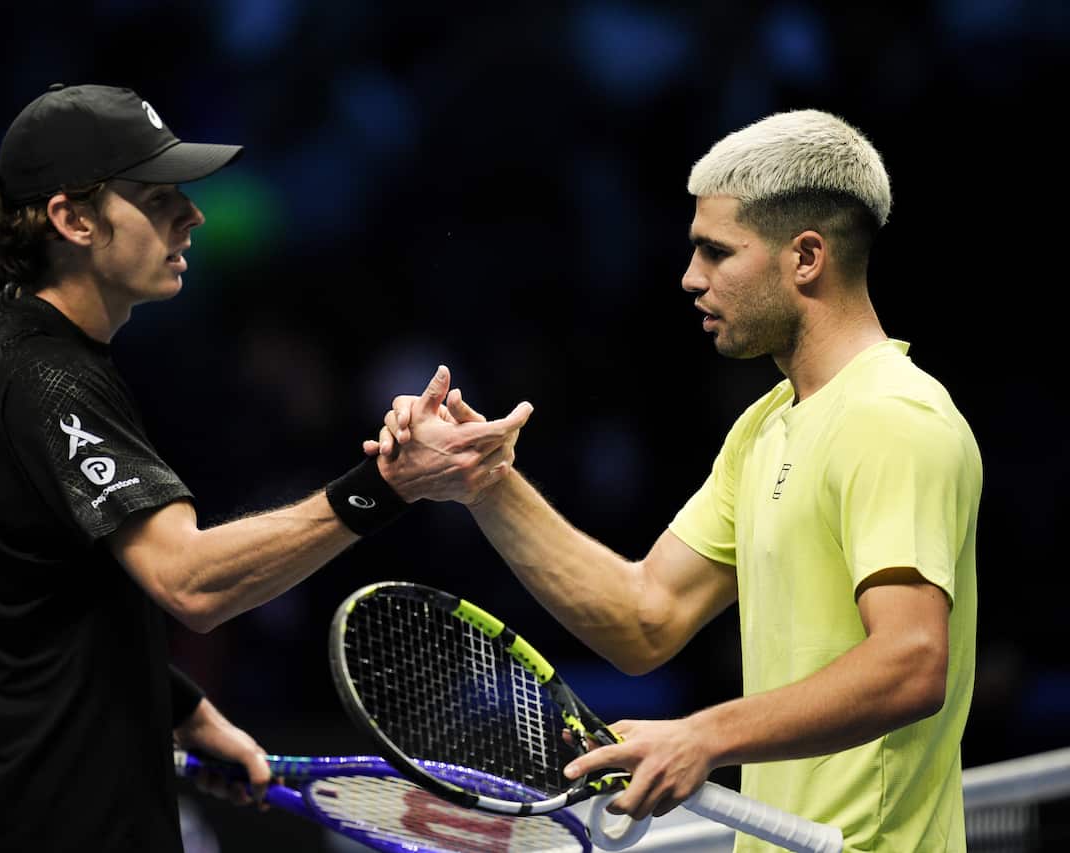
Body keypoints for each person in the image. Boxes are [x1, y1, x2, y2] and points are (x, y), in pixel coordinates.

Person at [0, 82, 533, 853]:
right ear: (72, 219)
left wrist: (184, 712)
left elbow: (37, 595)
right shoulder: (47, 378)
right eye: (154, 196)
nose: (193, 215)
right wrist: (388, 484)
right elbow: (190, 582)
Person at [370, 109, 980, 851]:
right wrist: (485, 480)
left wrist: (704, 734)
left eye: (717, 252)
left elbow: (913, 662)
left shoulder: (894, 415)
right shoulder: (766, 427)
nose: (691, 277)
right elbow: (644, 617)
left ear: (807, 256)